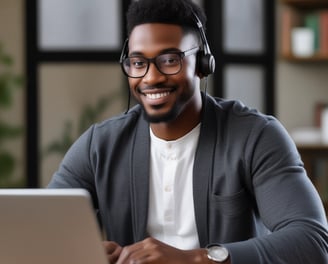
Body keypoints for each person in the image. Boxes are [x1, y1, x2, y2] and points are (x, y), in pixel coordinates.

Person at [48, 0, 328, 263]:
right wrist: (86, 251)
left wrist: (194, 259)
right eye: (138, 63)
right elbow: (44, 227)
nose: (151, 77)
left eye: (170, 60)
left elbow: (311, 241)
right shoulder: (99, 145)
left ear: (203, 65)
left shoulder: (256, 137)